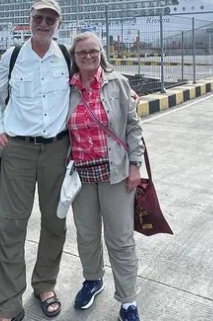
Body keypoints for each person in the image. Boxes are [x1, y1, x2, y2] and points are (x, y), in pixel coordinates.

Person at [0, 0, 71, 321]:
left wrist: (124, 90)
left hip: (56, 149)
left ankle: (45, 284)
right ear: (30, 19)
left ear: (58, 24)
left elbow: (95, 76)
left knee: (55, 221)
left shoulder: (66, 56)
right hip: (18, 149)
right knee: (11, 224)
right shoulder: (13, 56)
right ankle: (9, 305)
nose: (44, 24)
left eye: (51, 19)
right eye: (39, 18)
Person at [67, 31, 144, 321]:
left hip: (116, 173)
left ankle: (128, 301)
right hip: (81, 176)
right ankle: (93, 279)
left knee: (120, 238)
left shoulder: (118, 84)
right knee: (86, 235)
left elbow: (133, 128)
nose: (88, 56)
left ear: (101, 53)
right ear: (74, 57)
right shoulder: (66, 88)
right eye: (82, 52)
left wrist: (135, 165)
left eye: (93, 51)